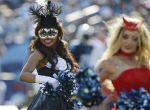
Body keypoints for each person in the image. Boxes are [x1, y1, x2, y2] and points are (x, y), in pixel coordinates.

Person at [19, 0, 79, 110]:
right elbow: (23, 75)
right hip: (47, 102)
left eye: (51, 33)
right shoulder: (39, 53)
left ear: (59, 33)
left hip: (66, 101)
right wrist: (49, 80)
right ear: (38, 34)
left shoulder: (63, 48)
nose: (47, 37)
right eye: (43, 33)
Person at [95, 16, 150, 110]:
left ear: (140, 42)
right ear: (118, 38)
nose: (129, 42)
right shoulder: (108, 63)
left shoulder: (144, 62)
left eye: (135, 39)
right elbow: (91, 89)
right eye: (125, 37)